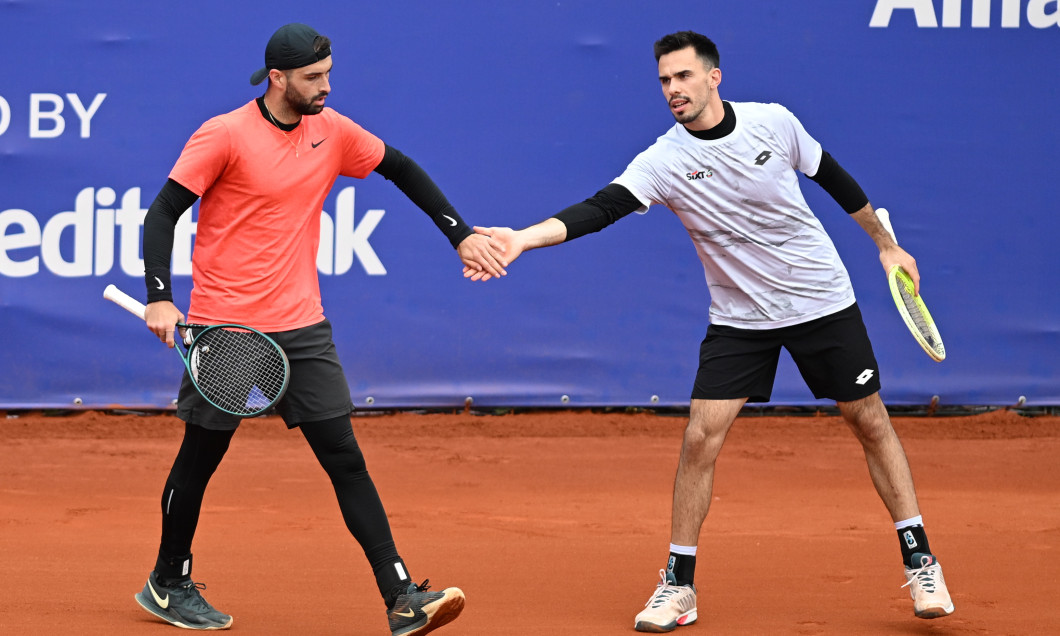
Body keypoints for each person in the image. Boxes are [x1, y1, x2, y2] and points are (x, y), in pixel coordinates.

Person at [468, 30, 954, 632]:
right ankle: (678, 585)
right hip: (740, 318)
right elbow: (600, 209)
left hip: (822, 301)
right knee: (700, 437)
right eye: (664, 81)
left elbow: (835, 179)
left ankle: (921, 562)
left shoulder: (773, 123)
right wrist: (521, 238)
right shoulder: (664, 160)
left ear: (713, 77)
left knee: (870, 421)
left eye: (683, 77)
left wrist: (886, 246)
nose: (673, 89)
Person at [134, 23, 503, 635]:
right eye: (313, 77)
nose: (327, 86)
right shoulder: (224, 134)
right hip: (228, 329)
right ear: (278, 79)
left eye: (329, 73)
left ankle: (401, 597)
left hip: (302, 326)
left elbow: (402, 168)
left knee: (345, 459)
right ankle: (167, 581)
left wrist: (459, 234)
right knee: (200, 460)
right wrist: (160, 297)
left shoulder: (332, 131)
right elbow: (163, 212)